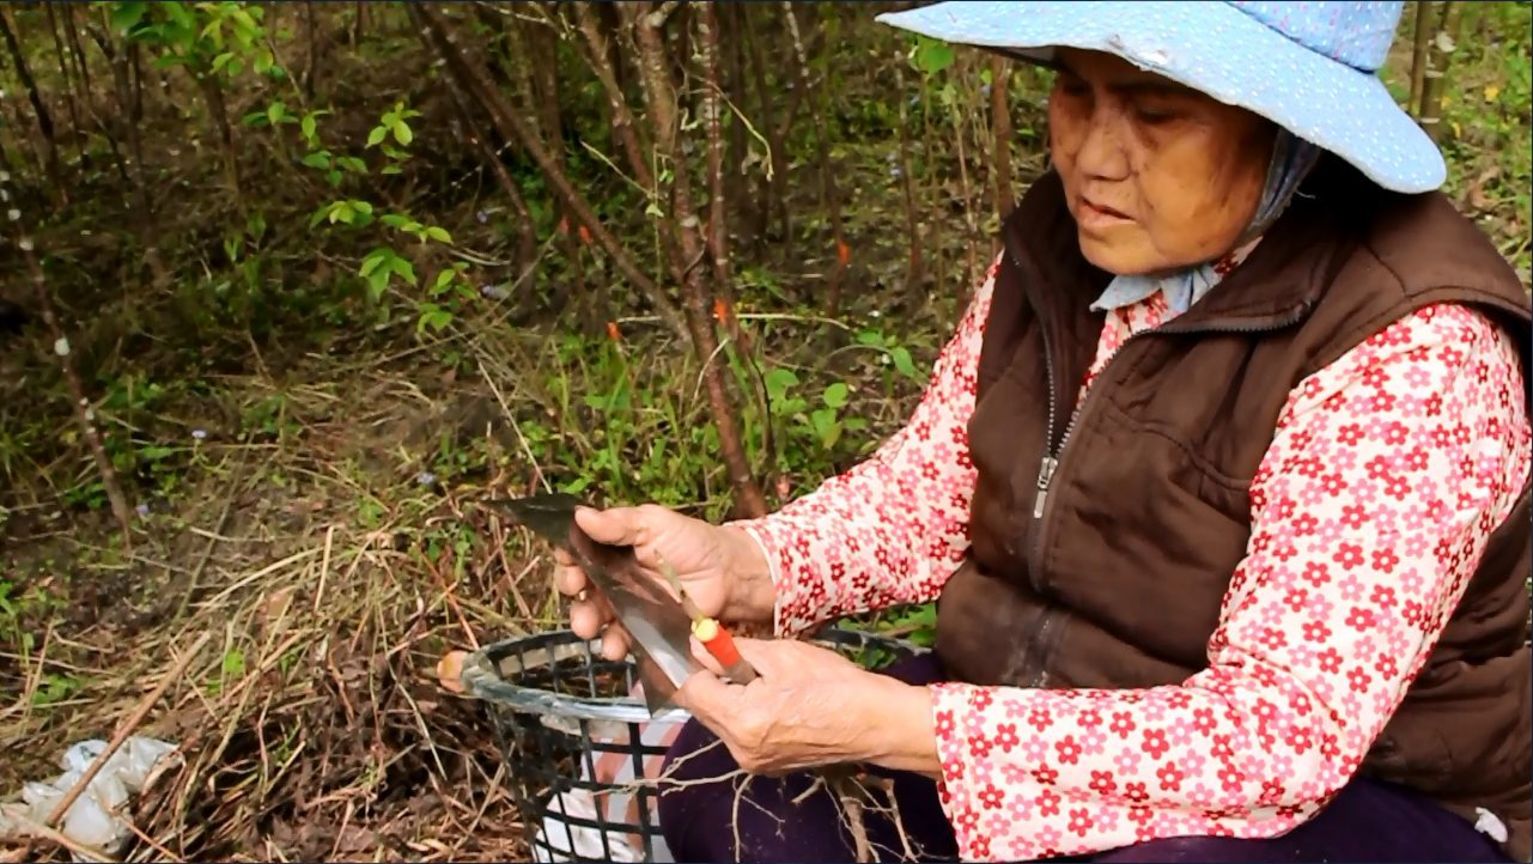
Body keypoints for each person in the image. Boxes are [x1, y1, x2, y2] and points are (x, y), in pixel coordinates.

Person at [554, 2, 1531, 861]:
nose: (1090, 156)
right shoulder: (1070, 246)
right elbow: (934, 491)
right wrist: (744, 564)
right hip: (1027, 710)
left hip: (1357, 795)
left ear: (1288, 128)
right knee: (731, 790)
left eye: (1156, 112)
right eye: (1074, 89)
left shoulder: (1415, 347)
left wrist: (895, 723)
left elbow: (1278, 738)